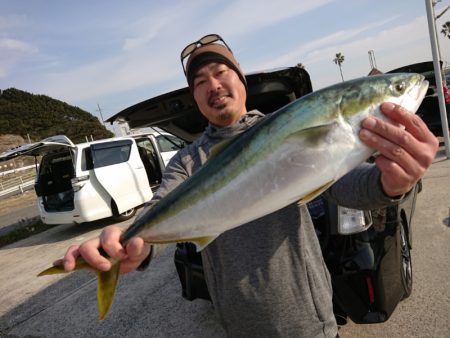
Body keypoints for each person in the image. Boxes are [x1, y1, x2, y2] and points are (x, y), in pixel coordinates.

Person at [58, 34, 439, 337]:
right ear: (195, 97)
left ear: (240, 79)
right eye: (200, 81)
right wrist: (129, 243)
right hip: (237, 325)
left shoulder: (283, 125)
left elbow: (344, 185)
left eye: (221, 72)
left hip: (309, 322)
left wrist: (393, 183)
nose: (213, 85)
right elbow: (162, 204)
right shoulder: (187, 162)